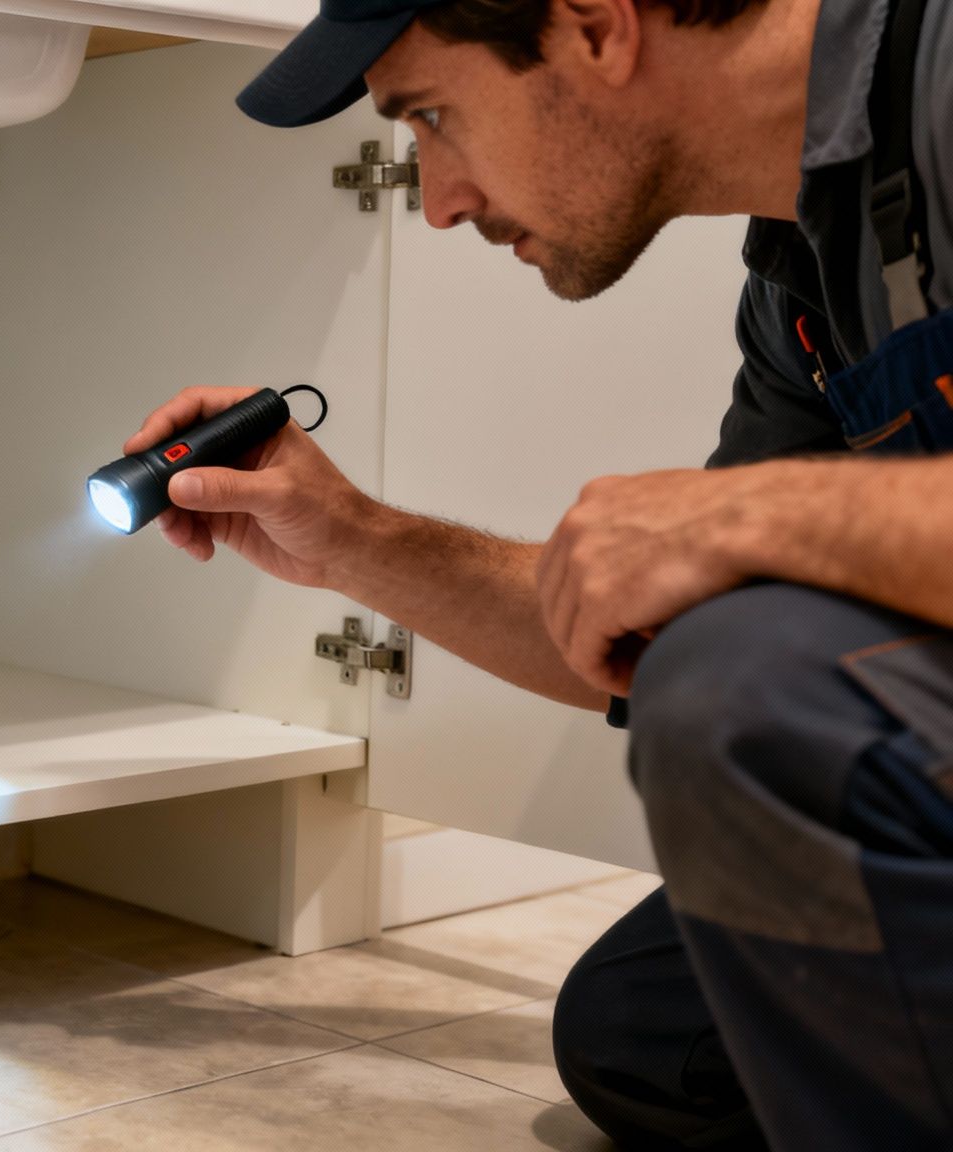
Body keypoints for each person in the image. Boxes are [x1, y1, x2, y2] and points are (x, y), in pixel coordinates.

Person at [125, 0, 953, 1146]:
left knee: (752, 682)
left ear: (596, 26)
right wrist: (352, 536)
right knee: (649, 1034)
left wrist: (753, 513)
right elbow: (648, 637)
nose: (436, 200)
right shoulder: (805, 282)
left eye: (431, 116)